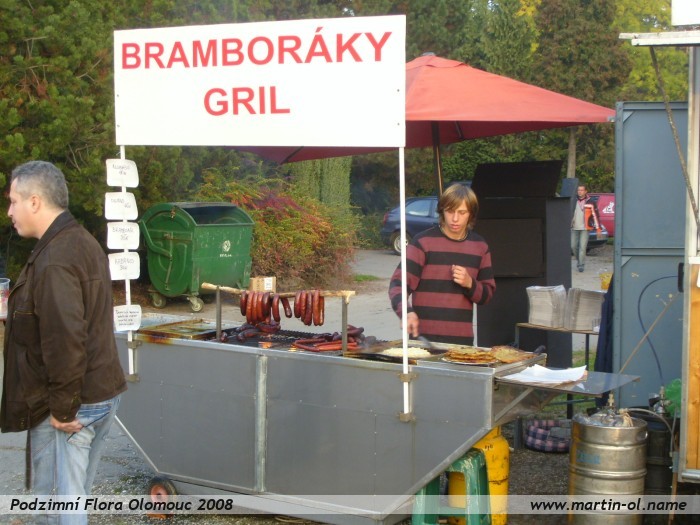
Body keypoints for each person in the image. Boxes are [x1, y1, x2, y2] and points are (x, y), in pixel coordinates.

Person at [1, 161, 127, 524]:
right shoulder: (79, 240)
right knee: (71, 500)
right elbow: (74, 320)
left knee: (59, 509)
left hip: (75, 401)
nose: (9, 212)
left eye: (13, 201)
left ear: (35, 201)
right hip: (99, 391)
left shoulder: (56, 258)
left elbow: (66, 339)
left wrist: (63, 409)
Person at [388, 184, 496, 345]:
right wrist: (407, 312)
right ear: (442, 211)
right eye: (450, 211)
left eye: (462, 212)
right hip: (423, 343)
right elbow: (398, 285)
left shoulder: (480, 246)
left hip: (461, 345)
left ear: (471, 214)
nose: (455, 219)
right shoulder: (423, 242)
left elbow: (487, 296)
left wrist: (470, 283)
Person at [571, 184, 602, 273]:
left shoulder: (591, 202)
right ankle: (579, 260)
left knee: (582, 247)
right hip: (574, 227)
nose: (579, 192)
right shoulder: (573, 201)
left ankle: (581, 265)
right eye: (578, 190)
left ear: (585, 191)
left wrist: (598, 228)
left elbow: (595, 215)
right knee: (573, 246)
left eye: (581, 190)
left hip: (585, 228)